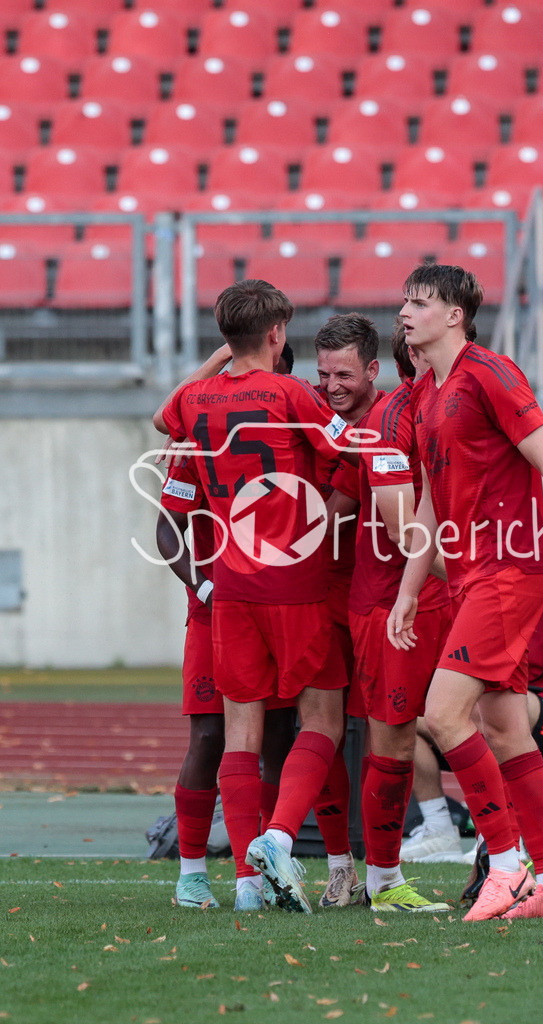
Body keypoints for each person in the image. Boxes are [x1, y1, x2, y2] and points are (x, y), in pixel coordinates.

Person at [388, 263, 543, 921]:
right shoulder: (427, 393)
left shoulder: (491, 372)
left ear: (455, 314)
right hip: (471, 578)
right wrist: (407, 590)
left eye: (419, 302)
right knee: (505, 730)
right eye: (404, 300)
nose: (405, 311)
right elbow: (427, 506)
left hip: (510, 573)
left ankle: (506, 866)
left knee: (442, 715)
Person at [154, 279, 354, 914]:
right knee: (321, 719)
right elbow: (352, 452)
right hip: (294, 580)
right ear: (276, 335)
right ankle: (277, 836)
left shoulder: (193, 403)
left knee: (240, 734)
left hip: (230, 589)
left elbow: (166, 417)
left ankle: (245, 884)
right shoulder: (293, 393)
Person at [155, 343, 298, 910]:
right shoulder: (199, 442)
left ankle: (254, 869)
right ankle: (192, 874)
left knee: (280, 737)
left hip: (283, 605)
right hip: (217, 609)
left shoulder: (299, 431)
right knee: (211, 736)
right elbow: (168, 530)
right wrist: (206, 586)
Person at [401, 549, 543, 865]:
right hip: (511, 697)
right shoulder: (509, 571)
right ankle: (439, 829)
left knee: (493, 708)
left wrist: (534, 580)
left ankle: (503, 838)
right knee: (401, 719)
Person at [342, 319, 456, 911]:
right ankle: (382, 881)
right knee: (393, 741)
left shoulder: (445, 407)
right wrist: (473, 580)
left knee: (486, 721)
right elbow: (402, 526)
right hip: (395, 603)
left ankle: (509, 861)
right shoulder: (393, 418)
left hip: (437, 594)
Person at [312, 313, 384, 908]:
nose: (331, 385)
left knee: (396, 733)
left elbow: (334, 506)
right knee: (321, 734)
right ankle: (340, 868)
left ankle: (386, 871)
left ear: (372, 371)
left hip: (387, 599)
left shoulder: (394, 417)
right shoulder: (306, 413)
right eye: (323, 373)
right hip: (318, 599)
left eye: (343, 374)